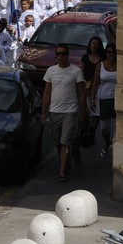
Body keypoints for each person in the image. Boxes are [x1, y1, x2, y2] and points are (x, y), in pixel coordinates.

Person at [42, 44, 87, 181]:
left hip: (70, 112)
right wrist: (43, 112)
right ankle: (67, 161)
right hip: (54, 112)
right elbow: (46, 93)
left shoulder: (76, 71)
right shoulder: (51, 71)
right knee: (58, 143)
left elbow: (81, 94)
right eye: (58, 54)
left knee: (65, 141)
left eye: (63, 54)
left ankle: (62, 172)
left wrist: (83, 113)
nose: (61, 57)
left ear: (68, 55)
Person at [96, 45, 118, 153]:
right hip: (104, 98)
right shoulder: (100, 65)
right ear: (106, 53)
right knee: (104, 128)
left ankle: (115, 150)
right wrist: (91, 99)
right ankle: (107, 141)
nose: (111, 54)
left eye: (113, 52)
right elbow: (96, 82)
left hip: (117, 99)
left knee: (115, 127)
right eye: (109, 52)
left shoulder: (120, 65)